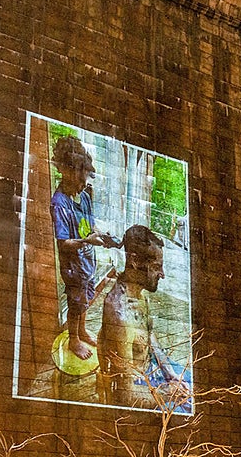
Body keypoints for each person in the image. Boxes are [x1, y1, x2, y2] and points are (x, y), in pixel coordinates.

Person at [98, 225, 187, 408]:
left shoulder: (140, 295)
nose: (162, 275)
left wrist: (171, 375)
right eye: (156, 267)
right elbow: (126, 396)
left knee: (189, 383)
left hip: (152, 376)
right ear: (135, 261)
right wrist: (168, 394)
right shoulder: (120, 315)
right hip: (137, 395)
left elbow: (150, 337)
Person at [50, 135, 108, 361]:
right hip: (73, 266)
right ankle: (73, 338)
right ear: (65, 171)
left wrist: (99, 234)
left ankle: (82, 330)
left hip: (87, 262)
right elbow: (63, 243)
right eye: (80, 179)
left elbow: (89, 223)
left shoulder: (84, 196)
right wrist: (87, 241)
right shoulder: (60, 203)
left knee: (85, 298)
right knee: (75, 302)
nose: (84, 184)